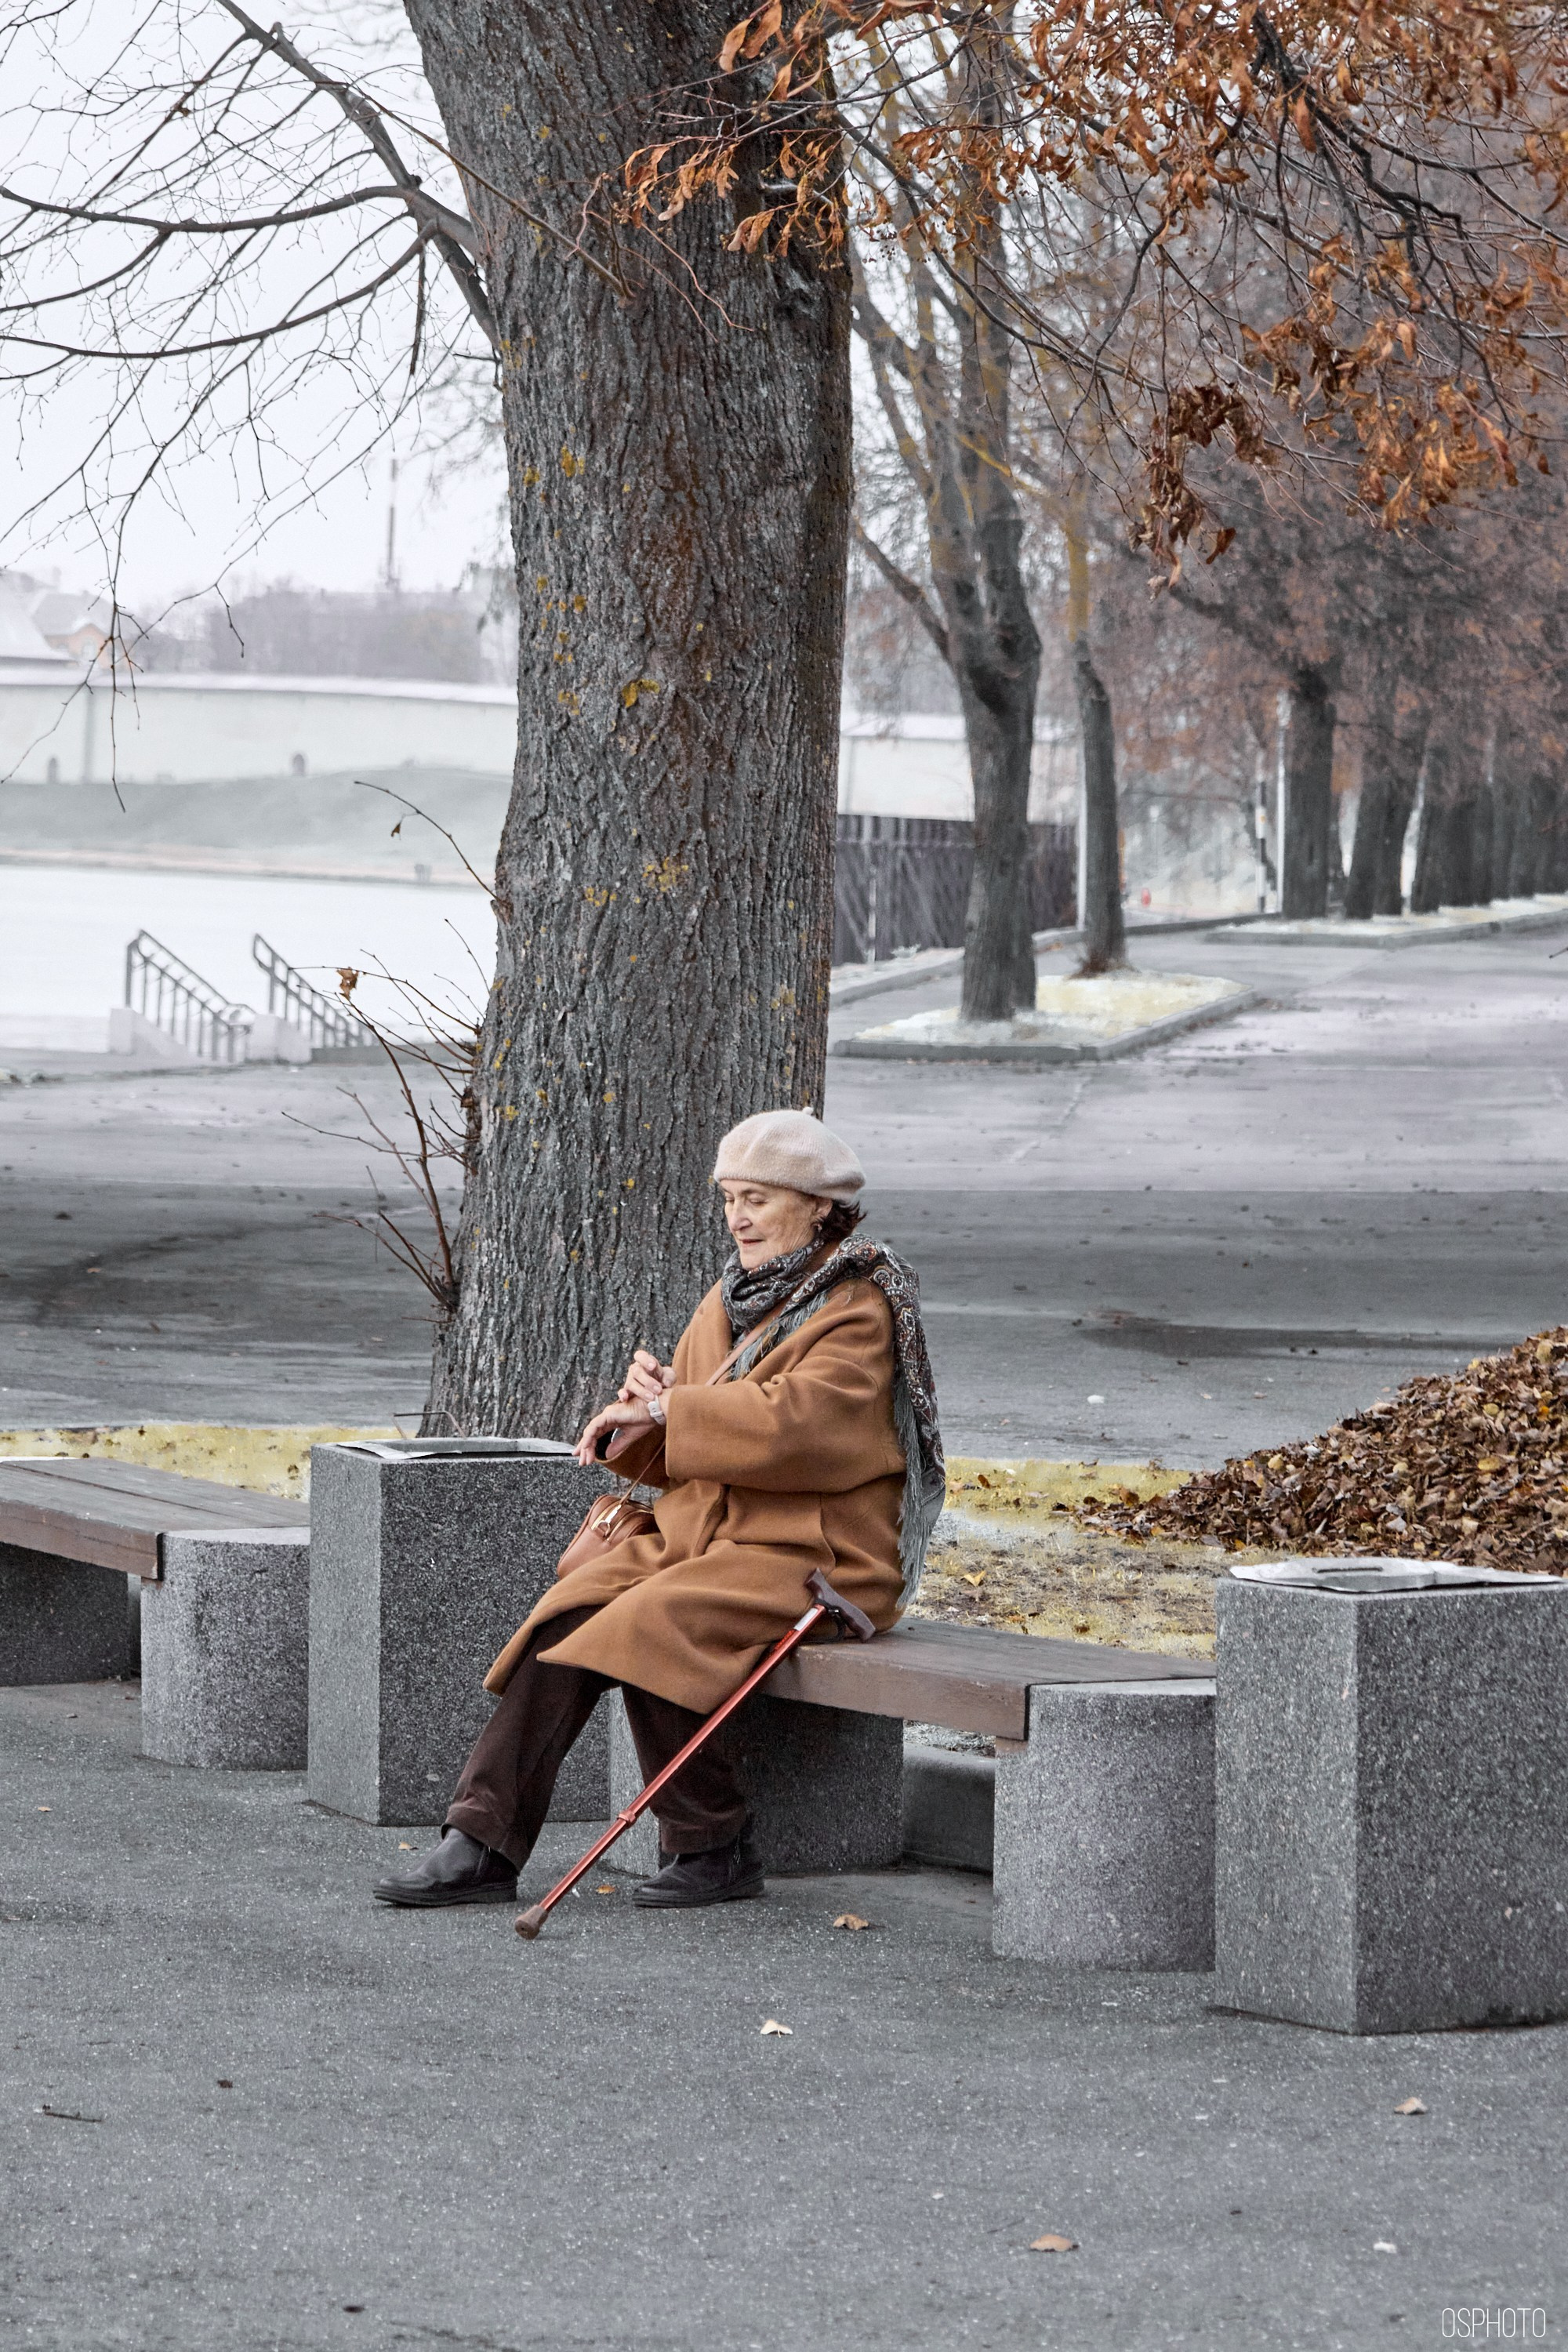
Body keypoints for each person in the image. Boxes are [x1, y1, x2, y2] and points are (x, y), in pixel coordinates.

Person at [374, 1107, 945, 1915]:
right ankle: (481, 1838)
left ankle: (710, 1845)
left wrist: (680, 1409)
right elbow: (687, 1446)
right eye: (728, 1199)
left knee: (653, 1621)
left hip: (817, 1557)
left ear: (818, 1207)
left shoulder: (856, 1306)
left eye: (757, 1198)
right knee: (564, 1619)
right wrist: (635, 1421)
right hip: (709, 1538)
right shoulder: (729, 1299)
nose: (737, 1217)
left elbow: (801, 1432)